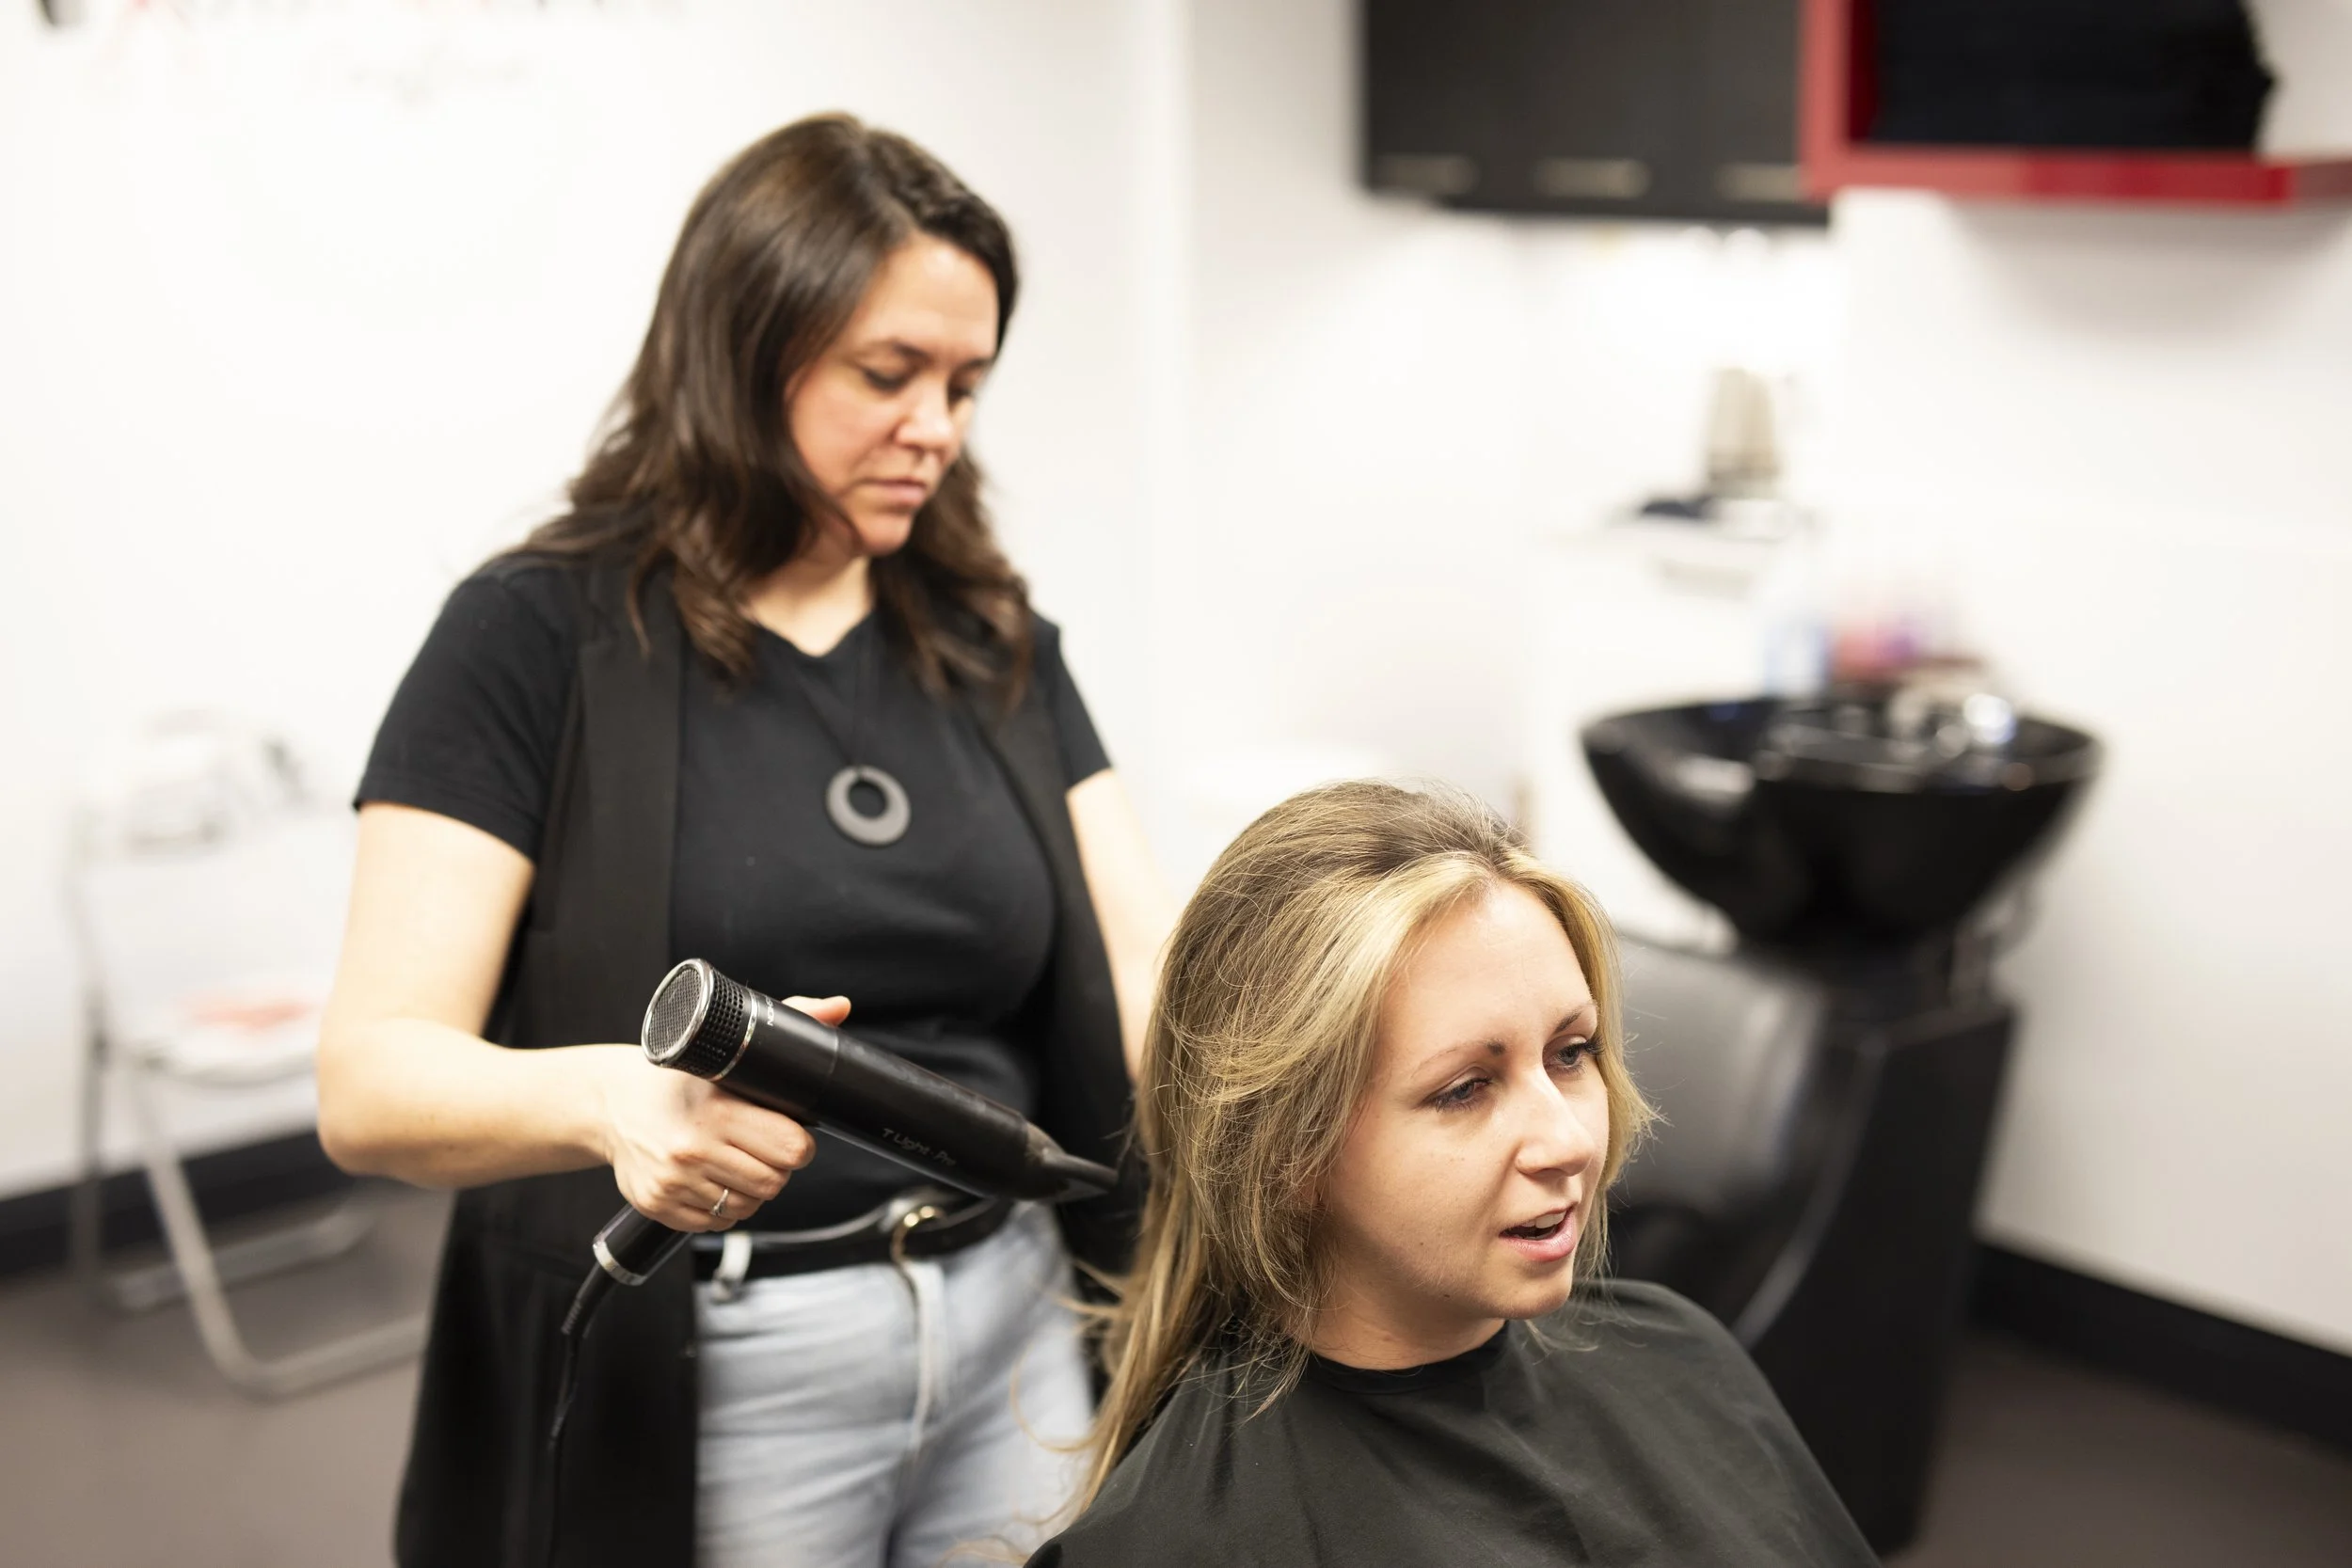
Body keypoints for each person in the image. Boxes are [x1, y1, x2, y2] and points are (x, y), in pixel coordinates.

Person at [317, 115, 1169, 1568]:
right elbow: (370, 1080)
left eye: (966, 383)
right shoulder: (535, 637)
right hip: (735, 1353)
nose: (937, 427)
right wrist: (612, 1101)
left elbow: (1149, 969)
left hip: (1018, 1322)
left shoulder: (992, 638)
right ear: (740, 352)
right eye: (886, 374)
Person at [1028, 781, 1879, 1567]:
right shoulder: (1182, 1539)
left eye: (1571, 1053)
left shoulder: (1682, 1352)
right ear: (1286, 1149)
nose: (1568, 1142)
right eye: (1465, 1088)